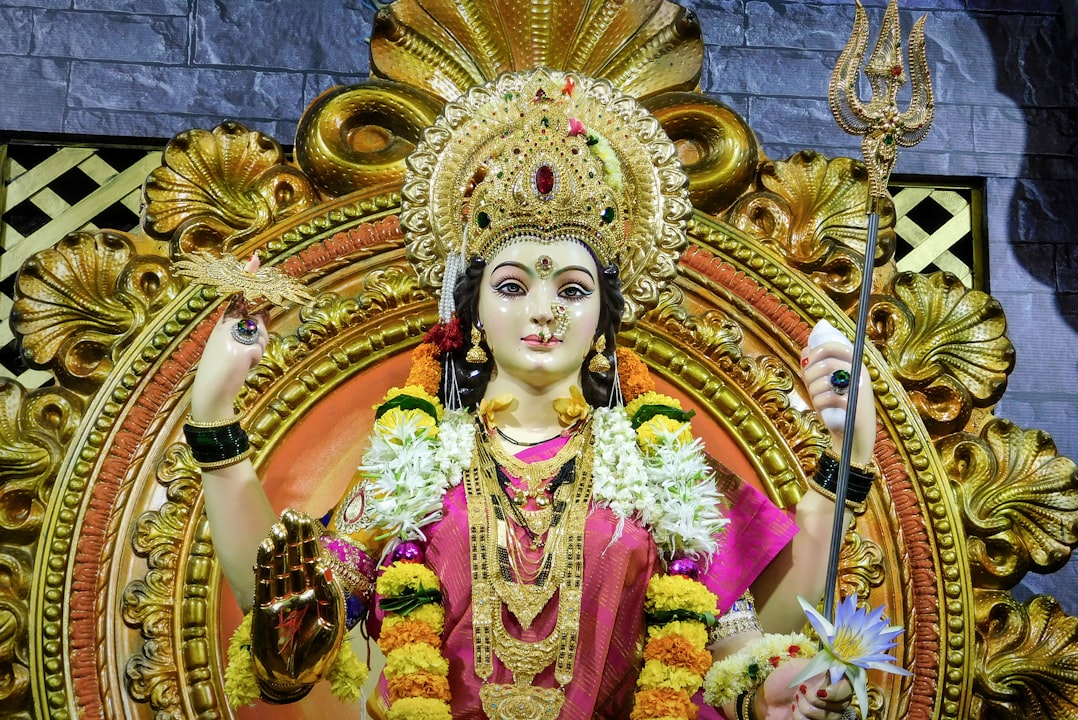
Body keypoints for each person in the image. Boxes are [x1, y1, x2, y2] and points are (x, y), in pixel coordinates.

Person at [184, 70, 876, 720]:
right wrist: (215, 423)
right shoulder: (410, 464)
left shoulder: (664, 471)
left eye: (573, 290)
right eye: (513, 286)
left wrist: (789, 688)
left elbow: (744, 650)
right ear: (474, 311)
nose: (545, 310)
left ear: (604, 317)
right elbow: (289, 623)